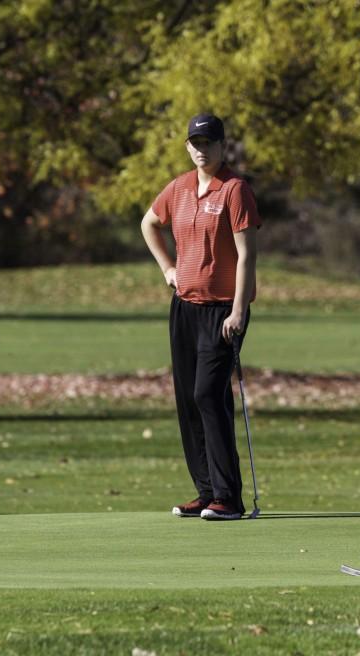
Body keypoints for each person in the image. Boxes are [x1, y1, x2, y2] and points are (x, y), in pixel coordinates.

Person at [140, 112, 261, 521]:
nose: (200, 149)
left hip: (223, 310)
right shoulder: (179, 188)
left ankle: (228, 497)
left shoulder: (235, 190)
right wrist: (168, 270)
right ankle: (207, 491)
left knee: (208, 394)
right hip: (185, 307)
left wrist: (239, 310)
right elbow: (149, 223)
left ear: (222, 145)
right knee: (188, 400)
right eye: (194, 142)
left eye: (207, 143)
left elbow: (247, 255)